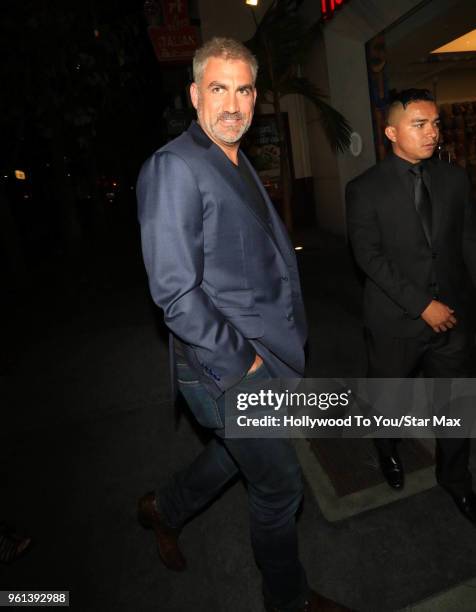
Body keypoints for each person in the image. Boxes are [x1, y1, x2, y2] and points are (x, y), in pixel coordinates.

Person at [136, 37, 352, 612]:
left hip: (263, 353)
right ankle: (290, 600)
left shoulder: (231, 157)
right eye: (218, 88)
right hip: (227, 369)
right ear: (194, 95)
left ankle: (165, 507)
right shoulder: (174, 166)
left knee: (236, 457)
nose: (233, 104)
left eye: (244, 89)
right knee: (279, 486)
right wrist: (245, 365)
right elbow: (175, 293)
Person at [346, 89, 476, 524]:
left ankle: (456, 480)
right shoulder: (364, 189)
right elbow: (370, 259)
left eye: (435, 124)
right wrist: (424, 306)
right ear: (390, 132)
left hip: (453, 319)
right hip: (396, 321)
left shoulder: (454, 180)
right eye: (419, 124)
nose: (432, 133)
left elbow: (467, 243)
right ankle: (386, 446)